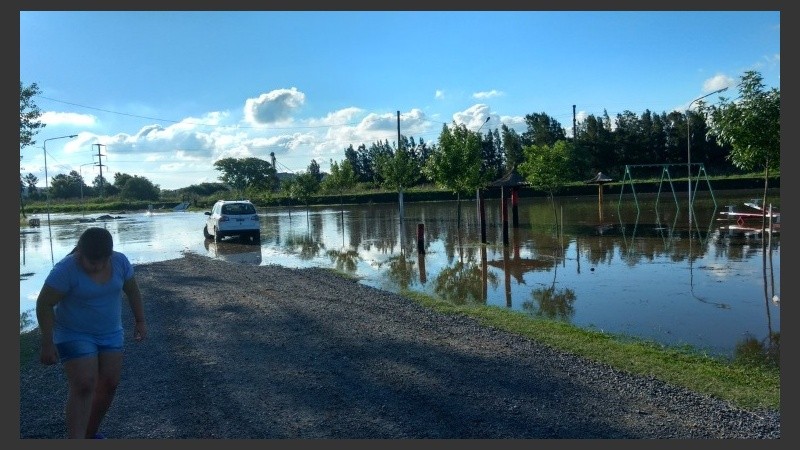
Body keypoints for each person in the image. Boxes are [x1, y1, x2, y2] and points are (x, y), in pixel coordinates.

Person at [36, 227, 147, 439]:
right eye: (90, 262)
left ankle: (89, 434)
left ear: (110, 255)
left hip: (111, 333)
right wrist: (47, 342)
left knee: (109, 385)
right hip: (73, 333)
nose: (96, 267)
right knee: (85, 384)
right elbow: (44, 304)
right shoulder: (65, 269)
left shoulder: (120, 262)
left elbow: (132, 290)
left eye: (101, 262)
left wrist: (140, 320)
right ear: (79, 252)